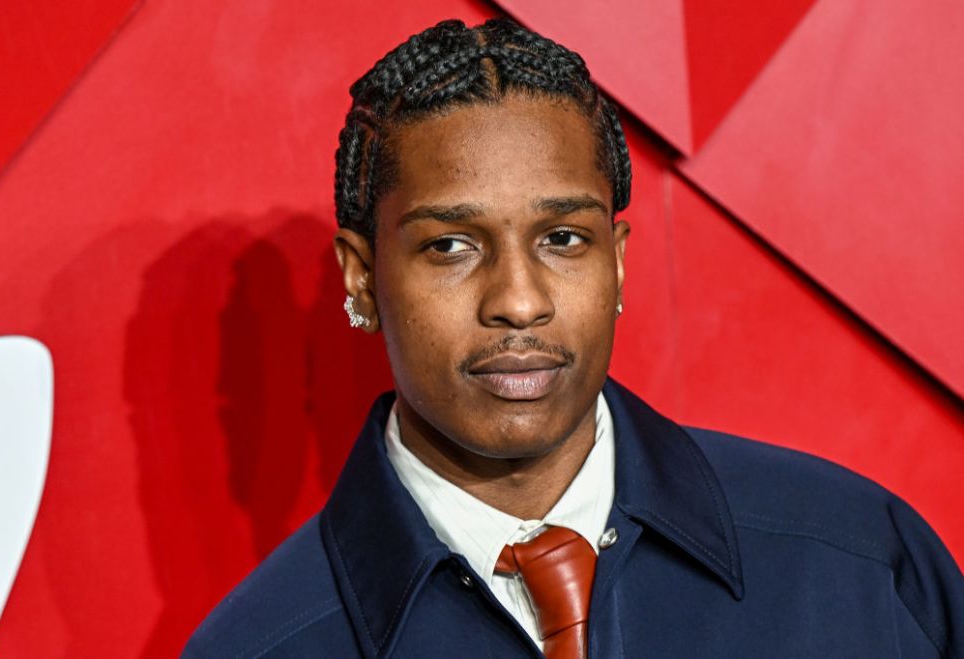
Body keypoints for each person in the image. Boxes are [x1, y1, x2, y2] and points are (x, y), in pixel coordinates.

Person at [184, 18, 963, 658]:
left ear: (617, 262)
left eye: (562, 238)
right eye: (450, 246)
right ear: (361, 277)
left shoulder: (858, 564)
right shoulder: (260, 645)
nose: (519, 302)